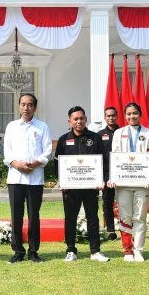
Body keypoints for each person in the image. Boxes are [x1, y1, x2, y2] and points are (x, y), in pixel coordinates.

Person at [54, 106, 110, 262]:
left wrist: (101, 180)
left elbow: (103, 161)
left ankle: (95, 251)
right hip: (70, 188)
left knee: (93, 218)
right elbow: (57, 163)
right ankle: (71, 250)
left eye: (81, 118)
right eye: (75, 119)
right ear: (70, 121)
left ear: (86, 119)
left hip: (91, 187)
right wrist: (61, 180)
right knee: (70, 218)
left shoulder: (95, 138)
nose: (79, 121)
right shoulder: (64, 139)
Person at [3, 93, 52, 263]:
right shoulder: (11, 126)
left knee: (33, 216)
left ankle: (33, 251)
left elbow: (47, 151)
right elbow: (7, 152)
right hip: (16, 178)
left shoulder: (42, 127)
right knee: (16, 216)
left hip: (35, 179)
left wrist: (35, 164)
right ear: (19, 106)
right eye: (23, 104)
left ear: (35, 107)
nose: (26, 108)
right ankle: (18, 251)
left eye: (30, 104)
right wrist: (16, 164)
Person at [107, 102, 149, 262]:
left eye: (134, 113)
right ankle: (128, 250)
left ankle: (139, 250)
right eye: (128, 114)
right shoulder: (119, 133)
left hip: (142, 184)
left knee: (140, 218)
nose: (131, 116)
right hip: (123, 184)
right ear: (125, 116)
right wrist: (113, 178)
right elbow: (115, 157)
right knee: (125, 217)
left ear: (140, 114)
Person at [97, 107, 120, 240]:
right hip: (106, 175)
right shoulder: (99, 135)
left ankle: (125, 228)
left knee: (124, 202)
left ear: (117, 116)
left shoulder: (123, 132)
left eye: (113, 115)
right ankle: (110, 229)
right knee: (108, 202)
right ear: (105, 118)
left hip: (122, 174)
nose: (111, 118)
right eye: (108, 116)